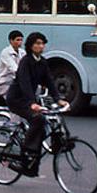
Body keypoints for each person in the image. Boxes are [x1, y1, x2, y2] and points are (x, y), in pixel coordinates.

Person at [6, 32, 69, 177]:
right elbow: (25, 83)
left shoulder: (43, 62)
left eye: (42, 43)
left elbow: (50, 82)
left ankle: (38, 160)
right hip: (17, 99)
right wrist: (32, 103)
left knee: (52, 119)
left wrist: (58, 99)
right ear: (31, 46)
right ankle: (26, 154)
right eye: (38, 43)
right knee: (38, 119)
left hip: (29, 99)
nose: (41, 46)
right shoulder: (25, 62)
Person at [0, 30, 25, 97]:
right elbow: (14, 68)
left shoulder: (22, 52)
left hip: (16, 81)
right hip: (5, 83)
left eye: (21, 40)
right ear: (11, 41)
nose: (20, 42)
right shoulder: (6, 52)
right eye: (17, 40)